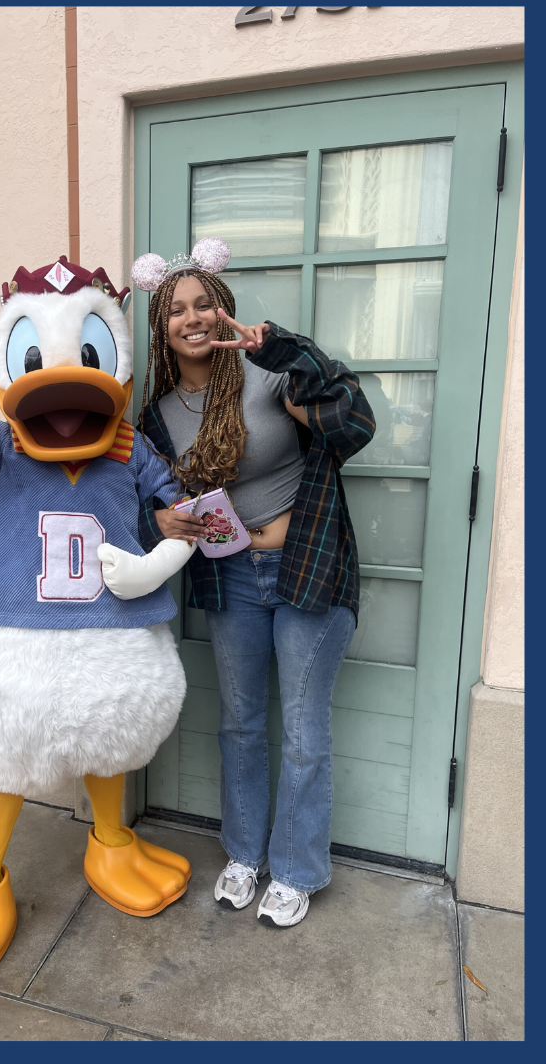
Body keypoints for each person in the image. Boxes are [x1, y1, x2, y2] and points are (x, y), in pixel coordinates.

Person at [132, 239, 376, 928]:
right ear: (162, 327)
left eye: (202, 301)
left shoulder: (270, 378)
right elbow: (149, 500)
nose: (192, 316)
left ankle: (296, 869)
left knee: (303, 730)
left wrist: (285, 350)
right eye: (176, 308)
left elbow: (354, 425)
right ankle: (244, 855)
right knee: (240, 725)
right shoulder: (159, 415)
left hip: (306, 571)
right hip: (231, 576)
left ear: (223, 308)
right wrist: (162, 515)